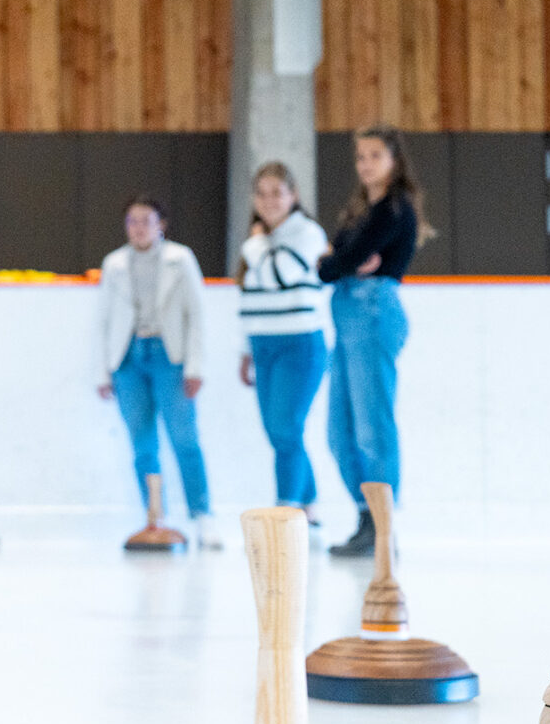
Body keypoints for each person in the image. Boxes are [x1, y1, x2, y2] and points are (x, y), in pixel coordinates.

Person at [318, 124, 429, 557]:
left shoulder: (395, 211)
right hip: (347, 315)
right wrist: (340, 261)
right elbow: (336, 263)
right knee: (339, 432)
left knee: (372, 427)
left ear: (393, 160)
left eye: (374, 156)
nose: (365, 165)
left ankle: (384, 527)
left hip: (373, 312)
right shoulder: (362, 209)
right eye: (360, 157)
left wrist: (338, 260)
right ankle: (366, 516)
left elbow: (335, 262)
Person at [96, 195, 218, 548]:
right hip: (129, 359)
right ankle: (155, 515)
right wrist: (103, 373)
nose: (139, 228)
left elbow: (196, 315)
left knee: (184, 439)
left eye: (146, 220)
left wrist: (196, 366)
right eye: (132, 221)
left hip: (170, 356)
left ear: (160, 224)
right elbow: (103, 321)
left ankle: (202, 515)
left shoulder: (181, 260)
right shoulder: (115, 264)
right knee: (142, 444)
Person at [235, 161, 331, 527]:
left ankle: (285, 511)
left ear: (293, 195)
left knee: (285, 426)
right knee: (277, 430)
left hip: (300, 345)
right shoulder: (259, 241)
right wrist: (246, 350)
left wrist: (257, 243)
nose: (269, 200)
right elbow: (250, 297)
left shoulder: (306, 233)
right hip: (264, 345)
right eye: (261, 193)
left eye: (277, 192)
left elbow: (279, 275)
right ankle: (308, 502)